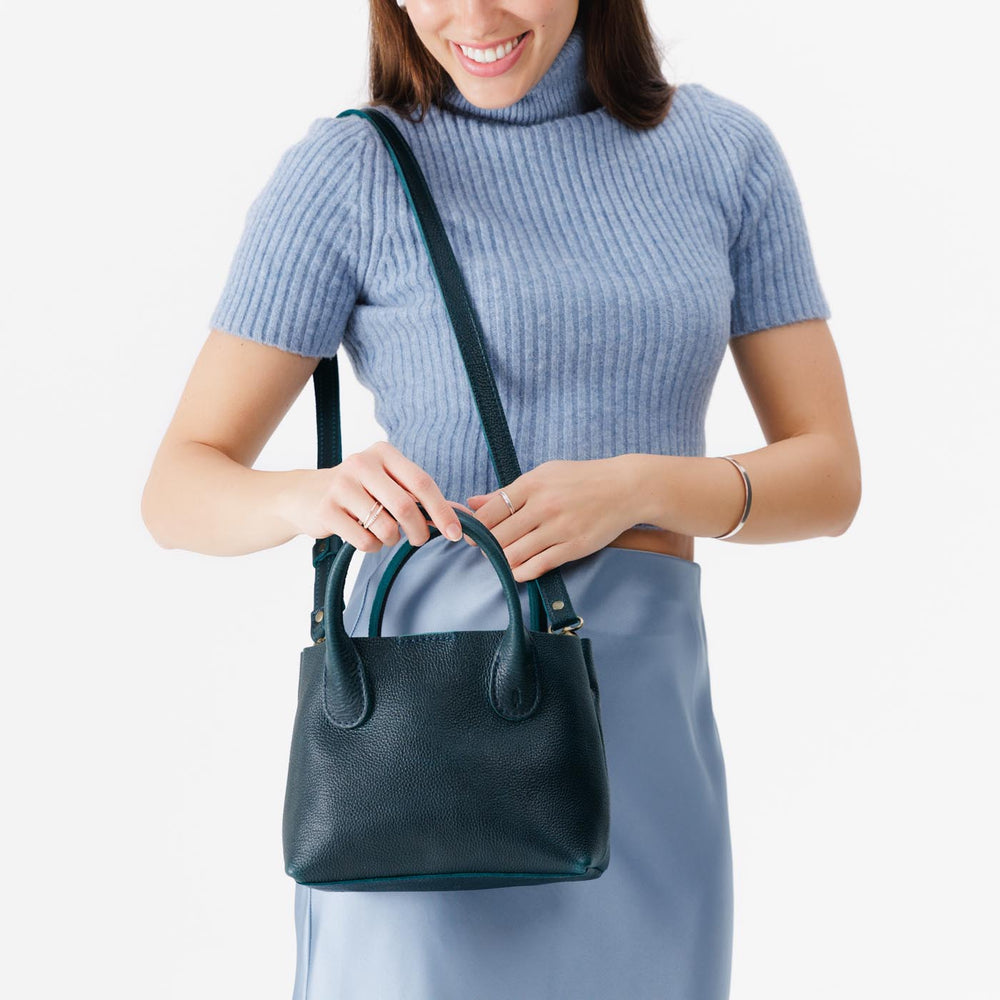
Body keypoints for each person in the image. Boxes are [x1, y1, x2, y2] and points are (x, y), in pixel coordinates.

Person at [141, 1, 861, 996]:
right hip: (425, 736)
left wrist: (640, 485)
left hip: (645, 724)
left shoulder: (723, 153)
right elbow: (177, 488)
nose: (473, 15)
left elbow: (827, 477)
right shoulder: (350, 172)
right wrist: (315, 495)